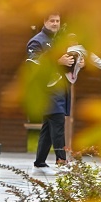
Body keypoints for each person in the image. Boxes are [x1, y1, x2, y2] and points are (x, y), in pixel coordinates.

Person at [27, 14, 76, 175]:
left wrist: (75, 62)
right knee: (57, 121)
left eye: (57, 21)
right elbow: (34, 64)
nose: (55, 24)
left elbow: (65, 61)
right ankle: (61, 162)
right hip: (47, 91)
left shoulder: (59, 40)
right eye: (52, 21)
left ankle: (39, 163)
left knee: (48, 127)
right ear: (44, 22)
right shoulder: (37, 41)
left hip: (61, 89)